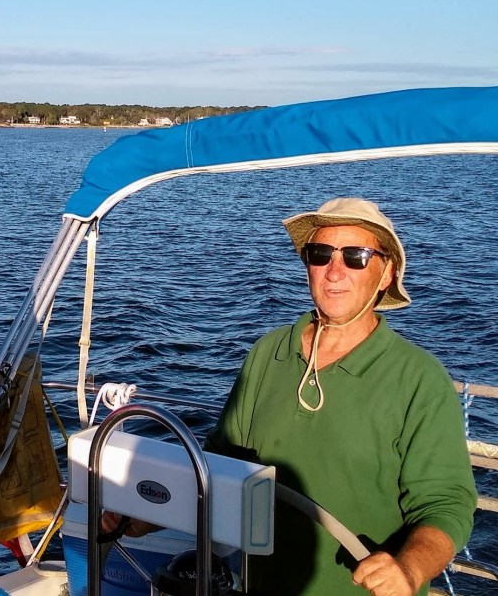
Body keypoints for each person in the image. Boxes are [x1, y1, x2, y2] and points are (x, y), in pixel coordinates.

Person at [104, 198, 476, 596]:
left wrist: (408, 569)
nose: (335, 271)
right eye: (320, 254)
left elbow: (446, 504)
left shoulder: (420, 379)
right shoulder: (268, 353)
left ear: (386, 274)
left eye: (356, 256)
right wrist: (147, 514)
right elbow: (218, 466)